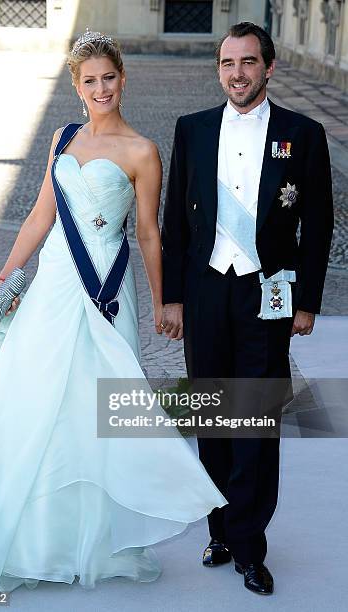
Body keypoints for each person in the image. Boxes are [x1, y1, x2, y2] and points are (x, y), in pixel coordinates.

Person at [0, 31, 227, 593]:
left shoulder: (143, 151)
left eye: (109, 78)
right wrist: (8, 277)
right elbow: (40, 216)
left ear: (123, 79)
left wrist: (163, 301)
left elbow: (148, 234)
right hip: (52, 290)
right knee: (32, 398)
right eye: (89, 80)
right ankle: (26, 536)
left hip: (105, 293)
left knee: (100, 412)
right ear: (76, 87)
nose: (101, 88)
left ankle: (92, 541)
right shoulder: (63, 138)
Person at [161, 22, 333, 595]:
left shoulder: (301, 133)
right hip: (208, 289)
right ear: (219, 69)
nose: (237, 73)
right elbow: (173, 224)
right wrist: (173, 298)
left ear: (269, 67)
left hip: (271, 288)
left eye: (248, 62)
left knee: (256, 420)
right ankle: (219, 529)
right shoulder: (193, 129)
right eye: (227, 63)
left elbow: (319, 224)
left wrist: (306, 300)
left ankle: (250, 544)